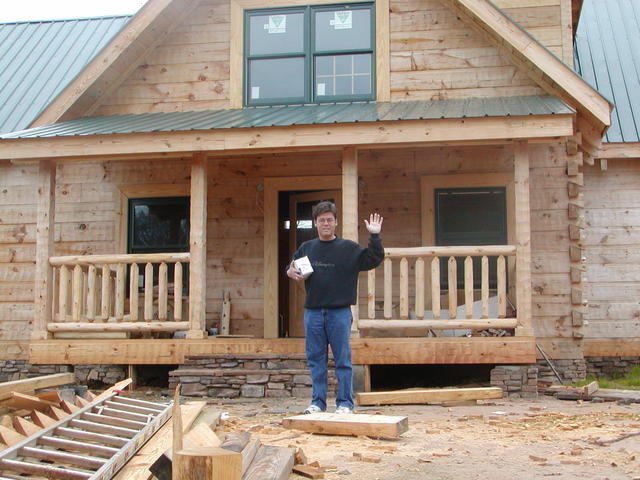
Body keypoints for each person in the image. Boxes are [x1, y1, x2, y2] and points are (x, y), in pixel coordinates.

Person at [287, 201, 384, 414]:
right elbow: (293, 267)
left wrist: (374, 236)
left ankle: (345, 404)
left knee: (343, 359)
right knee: (316, 359)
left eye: (329, 220)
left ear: (336, 222)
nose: (326, 223)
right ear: (315, 223)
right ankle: (317, 403)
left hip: (339, 312)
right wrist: (290, 271)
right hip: (313, 312)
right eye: (321, 220)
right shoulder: (307, 248)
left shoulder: (348, 248)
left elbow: (373, 259)